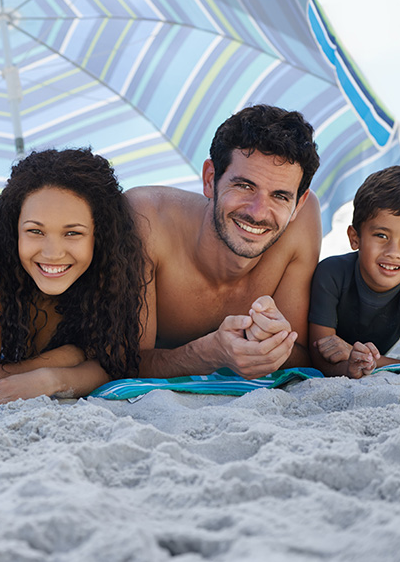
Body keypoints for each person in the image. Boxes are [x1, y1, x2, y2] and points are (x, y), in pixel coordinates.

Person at [126, 104, 321, 379]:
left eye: (280, 196)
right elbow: (122, 362)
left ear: (298, 203)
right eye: (244, 186)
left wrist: (276, 343)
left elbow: (303, 354)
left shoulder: (302, 222)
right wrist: (210, 353)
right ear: (210, 178)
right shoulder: (146, 219)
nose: (257, 212)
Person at [0, 148, 147, 408]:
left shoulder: (109, 271)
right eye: (35, 231)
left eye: (72, 233)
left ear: (98, 235)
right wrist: (71, 355)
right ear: (14, 228)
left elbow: (117, 362)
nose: (53, 253)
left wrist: (51, 380)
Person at [308, 166, 400, 378]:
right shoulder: (331, 274)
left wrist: (366, 359)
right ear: (355, 237)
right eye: (381, 235)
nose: (393, 252)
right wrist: (352, 366)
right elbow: (319, 357)